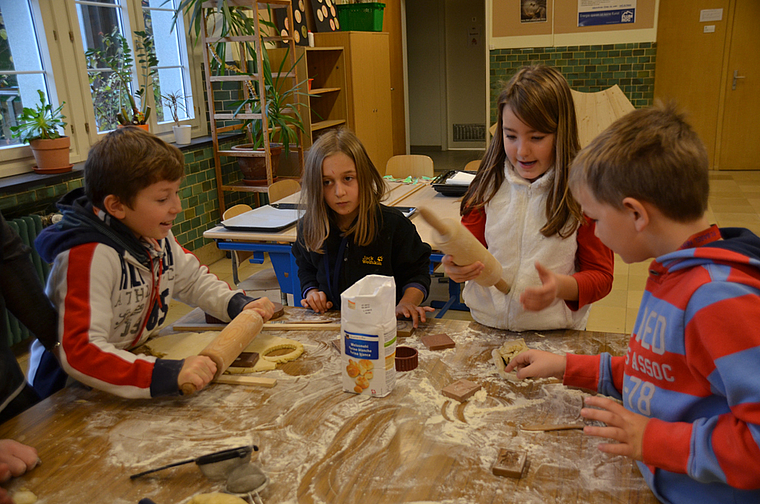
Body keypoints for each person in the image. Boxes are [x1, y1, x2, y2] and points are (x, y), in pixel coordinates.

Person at [506, 103, 760, 503]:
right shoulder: (674, 273)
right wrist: (568, 366)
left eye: (597, 220)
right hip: (663, 480)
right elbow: (660, 375)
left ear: (636, 214)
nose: (597, 233)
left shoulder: (717, 298)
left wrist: (652, 439)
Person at [26, 126, 275, 400]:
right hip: (68, 392)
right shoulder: (87, 256)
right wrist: (163, 375)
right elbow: (81, 351)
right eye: (162, 198)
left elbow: (192, 281)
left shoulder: (156, 236)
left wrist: (236, 304)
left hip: (128, 365)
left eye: (176, 193)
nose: (176, 206)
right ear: (116, 206)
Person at [443, 65, 614, 331]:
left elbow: (602, 277)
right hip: (487, 325)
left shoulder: (583, 194)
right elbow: (469, 249)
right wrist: (457, 268)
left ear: (562, 132)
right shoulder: (488, 184)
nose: (522, 150)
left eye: (537, 137)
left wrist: (563, 287)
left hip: (554, 334)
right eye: (510, 136)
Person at [292, 128, 433, 327]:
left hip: (385, 325)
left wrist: (408, 302)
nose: (339, 192)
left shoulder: (392, 225)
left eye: (348, 178)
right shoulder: (309, 226)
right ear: (316, 186)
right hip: (334, 324)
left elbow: (417, 272)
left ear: (364, 177)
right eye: (327, 182)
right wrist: (312, 292)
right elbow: (305, 267)